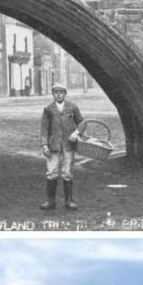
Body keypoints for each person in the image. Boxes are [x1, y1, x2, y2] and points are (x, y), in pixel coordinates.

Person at [40, 82, 83, 210]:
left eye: (61, 92)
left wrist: (77, 132)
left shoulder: (72, 107)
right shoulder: (48, 109)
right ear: (53, 94)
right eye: (55, 92)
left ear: (65, 93)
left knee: (67, 172)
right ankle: (50, 201)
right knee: (52, 171)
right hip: (54, 145)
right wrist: (44, 145)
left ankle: (69, 201)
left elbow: (82, 122)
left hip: (68, 145)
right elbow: (44, 128)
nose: (58, 95)